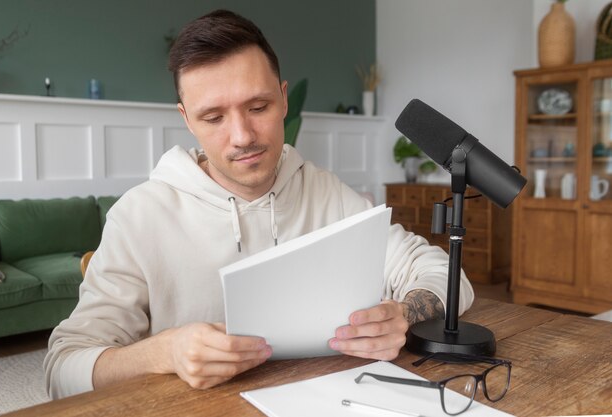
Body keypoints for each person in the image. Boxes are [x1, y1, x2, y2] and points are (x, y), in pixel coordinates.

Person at [44, 9, 474, 399]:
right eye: (214, 118)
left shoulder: (328, 194)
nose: (243, 136)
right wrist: (164, 352)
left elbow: (447, 275)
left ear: (284, 99)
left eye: (258, 106)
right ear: (186, 119)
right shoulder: (139, 216)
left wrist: (402, 312)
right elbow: (62, 368)